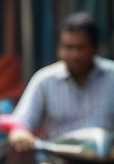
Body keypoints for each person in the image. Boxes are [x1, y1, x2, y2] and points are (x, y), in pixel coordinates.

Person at [8, 12, 114, 150]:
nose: (74, 55)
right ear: (59, 48)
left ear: (94, 48)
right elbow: (21, 122)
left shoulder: (111, 76)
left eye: (80, 48)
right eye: (68, 47)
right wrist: (20, 134)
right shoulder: (44, 80)